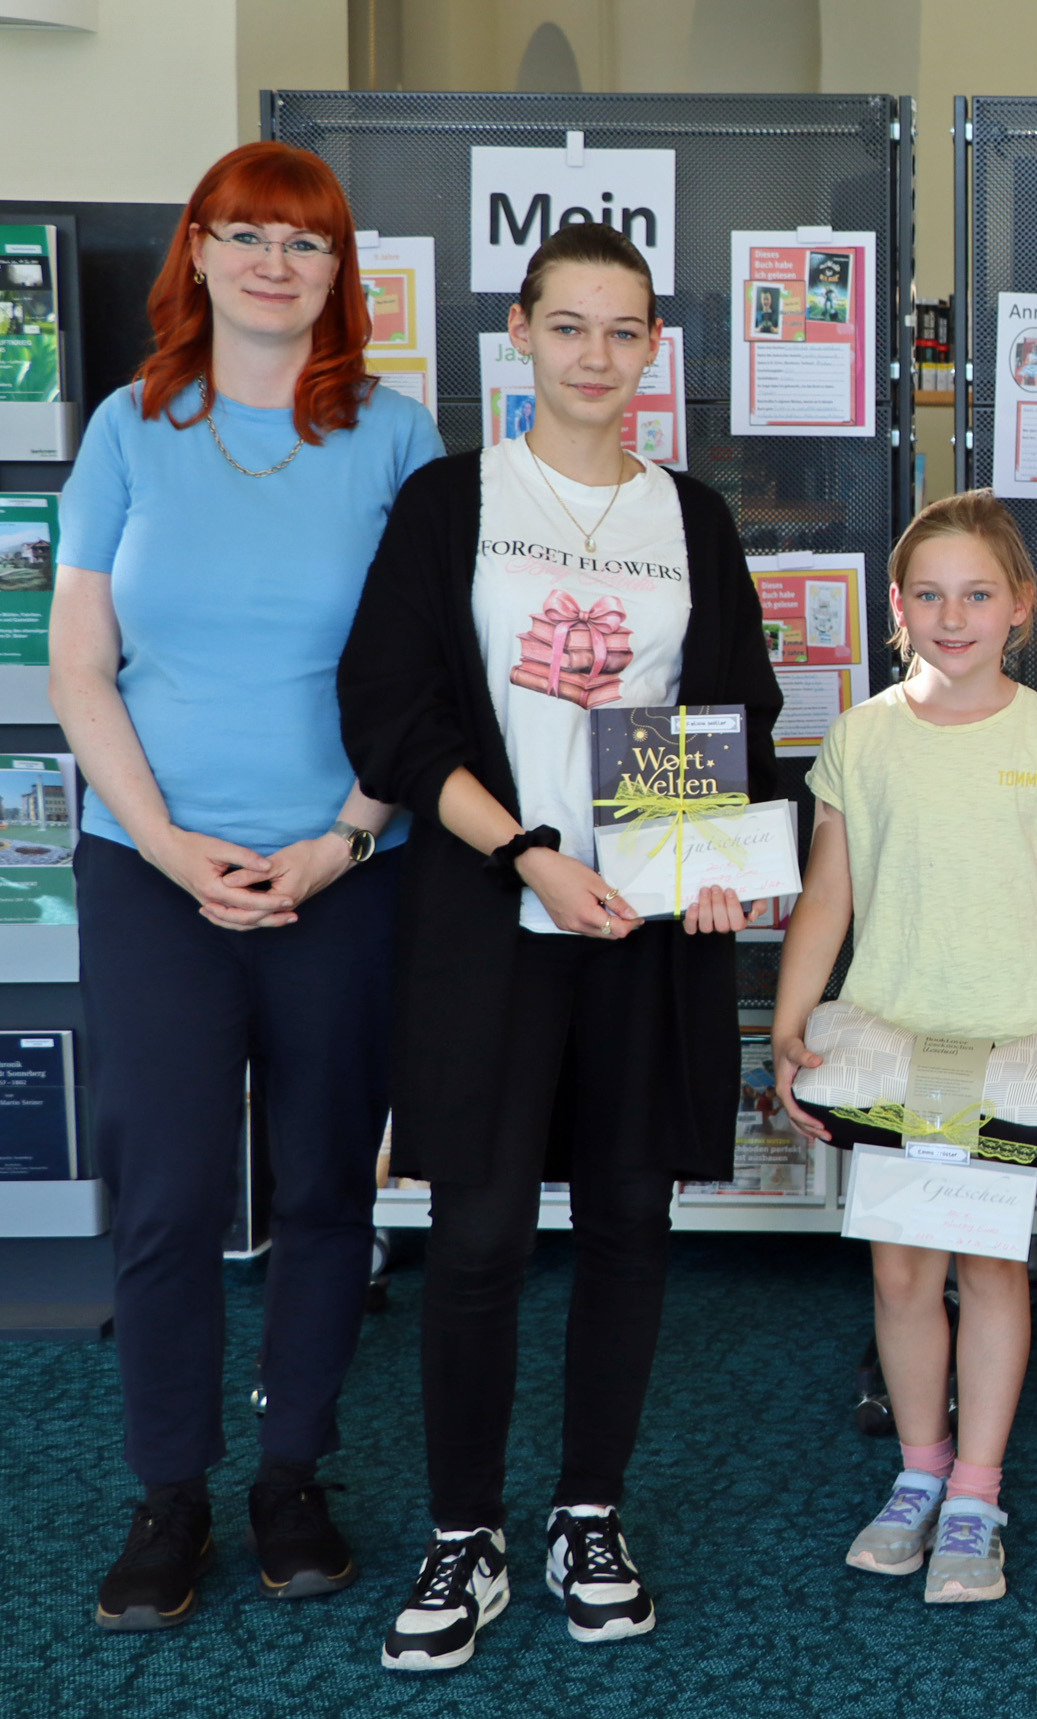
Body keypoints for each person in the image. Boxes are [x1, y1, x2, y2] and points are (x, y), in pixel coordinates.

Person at [336, 221, 781, 1673]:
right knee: (472, 1234)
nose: (598, 355)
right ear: (518, 333)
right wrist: (525, 848)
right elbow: (394, 709)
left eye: (626, 330)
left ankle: (590, 1510)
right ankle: (465, 1530)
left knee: (629, 1229)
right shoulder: (451, 498)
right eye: (571, 325)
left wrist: (706, 865)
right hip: (487, 914)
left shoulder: (692, 517)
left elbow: (733, 714)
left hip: (645, 931)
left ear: (656, 349)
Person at [50, 141, 443, 1632]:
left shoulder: (397, 436)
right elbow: (79, 664)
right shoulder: (129, 429)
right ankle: (170, 1488)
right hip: (155, 870)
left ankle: (292, 1469)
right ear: (197, 253)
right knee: (168, 1191)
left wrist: (344, 833)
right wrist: (163, 844)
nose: (279, 262)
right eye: (250, 234)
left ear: (343, 275)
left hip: (347, 865)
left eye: (310, 241)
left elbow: (428, 676)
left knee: (332, 1178)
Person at [768, 491, 1037, 1605]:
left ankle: (977, 1489)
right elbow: (827, 895)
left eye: (978, 593)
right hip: (888, 1053)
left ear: (1020, 608)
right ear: (896, 608)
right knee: (898, 1272)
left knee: (990, 1272)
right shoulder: (861, 736)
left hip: (1014, 1058)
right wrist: (790, 1024)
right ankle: (919, 1471)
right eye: (928, 594)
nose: (953, 613)